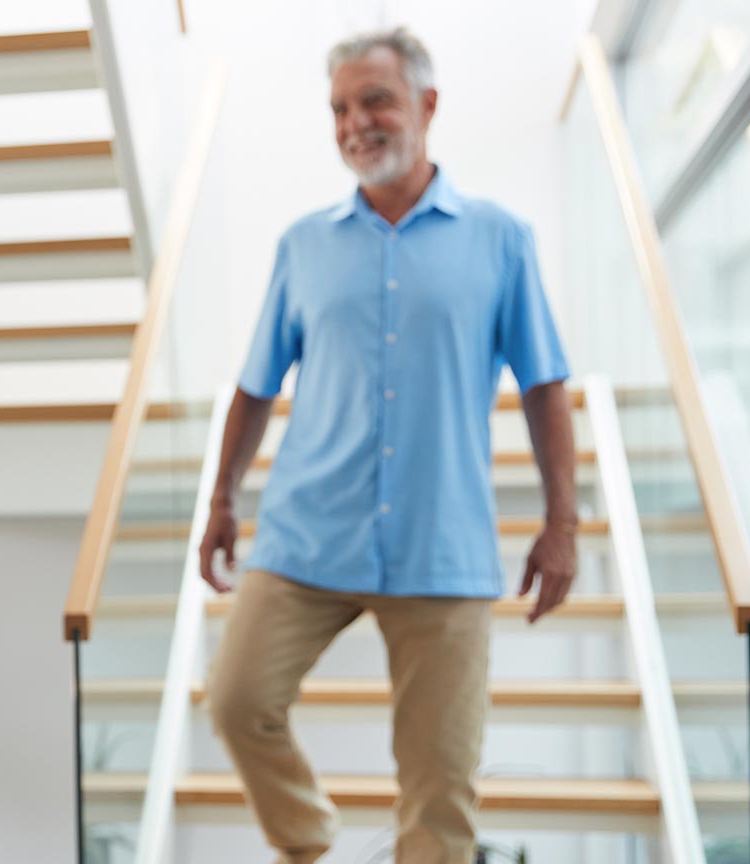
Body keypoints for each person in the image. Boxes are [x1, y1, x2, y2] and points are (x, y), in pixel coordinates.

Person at [199, 27, 576, 864]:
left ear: (426, 105)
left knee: (440, 789)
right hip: (307, 532)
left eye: (374, 99)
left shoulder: (501, 239)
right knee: (236, 700)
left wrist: (564, 523)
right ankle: (313, 846)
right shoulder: (302, 245)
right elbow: (256, 385)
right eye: (339, 107)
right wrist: (223, 500)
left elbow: (544, 384)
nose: (354, 123)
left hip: (443, 544)